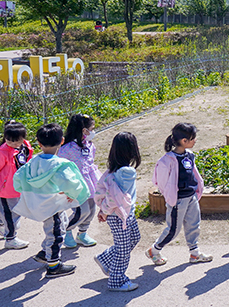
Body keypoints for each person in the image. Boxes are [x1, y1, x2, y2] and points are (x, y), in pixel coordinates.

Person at [12, 123, 90, 279]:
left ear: (39, 143)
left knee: (52, 231)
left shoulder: (33, 162)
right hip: (53, 205)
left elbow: (18, 178)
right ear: (62, 141)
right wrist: (71, 194)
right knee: (56, 234)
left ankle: (44, 253)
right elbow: (71, 183)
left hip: (38, 204)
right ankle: (54, 265)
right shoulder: (59, 165)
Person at [147, 123, 212, 265]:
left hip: (191, 196)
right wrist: (171, 197)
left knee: (194, 225)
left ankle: (194, 253)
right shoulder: (167, 160)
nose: (195, 140)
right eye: (193, 138)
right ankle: (154, 250)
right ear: (184, 141)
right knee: (173, 230)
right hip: (178, 200)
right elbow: (162, 182)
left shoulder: (189, 155)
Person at [92, 132, 143, 291]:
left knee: (134, 237)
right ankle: (117, 280)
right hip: (118, 215)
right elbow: (115, 198)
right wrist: (105, 212)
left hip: (124, 214)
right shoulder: (127, 172)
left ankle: (105, 259)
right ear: (131, 151)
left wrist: (104, 210)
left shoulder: (112, 170)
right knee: (123, 249)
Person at [0, 120, 32, 250]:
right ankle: (10, 239)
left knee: (9, 211)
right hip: (6, 189)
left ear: (23, 138)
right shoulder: (2, 152)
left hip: (18, 185)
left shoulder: (25, 146)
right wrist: (1, 180)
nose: (13, 144)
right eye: (9, 141)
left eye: (17, 141)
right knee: (12, 214)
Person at [58, 113, 102, 249]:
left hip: (90, 181)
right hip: (77, 185)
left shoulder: (89, 145)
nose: (93, 131)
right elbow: (61, 167)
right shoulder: (67, 149)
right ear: (84, 130)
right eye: (92, 128)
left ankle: (82, 233)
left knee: (91, 209)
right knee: (81, 211)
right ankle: (67, 230)